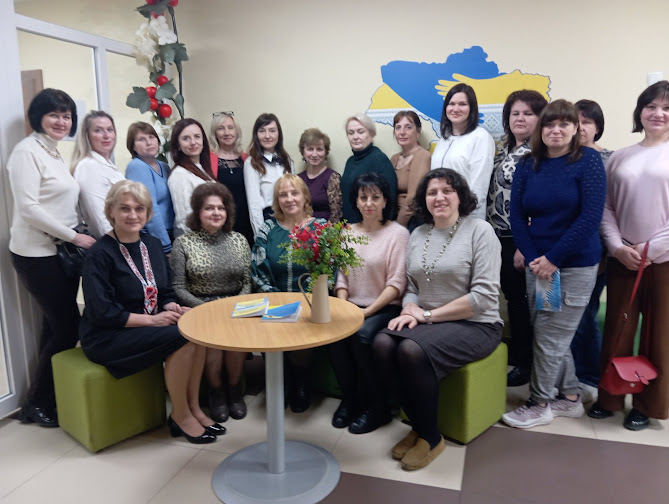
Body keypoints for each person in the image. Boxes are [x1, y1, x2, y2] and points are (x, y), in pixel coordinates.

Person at [373, 168, 503, 470]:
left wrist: (427, 315)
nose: (439, 197)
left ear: (460, 196)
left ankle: (431, 438)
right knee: (381, 344)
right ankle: (419, 426)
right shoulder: (419, 234)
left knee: (410, 350)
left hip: (477, 324)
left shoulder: (480, 231)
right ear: (424, 200)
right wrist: (409, 310)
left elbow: (483, 297)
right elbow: (412, 287)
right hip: (431, 321)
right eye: (432, 192)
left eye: (447, 190)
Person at [80, 180, 224, 444]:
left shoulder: (153, 245)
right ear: (111, 211)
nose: (133, 215)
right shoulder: (99, 254)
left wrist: (171, 306)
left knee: (195, 330)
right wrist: (153, 320)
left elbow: (164, 291)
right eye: (125, 208)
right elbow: (103, 312)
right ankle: (180, 415)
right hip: (109, 334)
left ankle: (194, 408)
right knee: (182, 337)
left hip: (147, 324)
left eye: (139, 209)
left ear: (148, 212)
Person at [503, 99, 606, 429]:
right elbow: (517, 216)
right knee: (549, 334)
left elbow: (590, 217)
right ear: (541, 129)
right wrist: (535, 257)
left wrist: (553, 259)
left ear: (576, 128)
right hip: (540, 265)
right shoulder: (528, 164)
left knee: (550, 337)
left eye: (564, 124)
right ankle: (571, 396)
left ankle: (539, 402)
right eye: (550, 124)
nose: (556, 130)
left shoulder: (588, 161)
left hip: (574, 265)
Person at [8, 88, 96, 427]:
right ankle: (37, 402)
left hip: (59, 251)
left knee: (54, 327)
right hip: (36, 254)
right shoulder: (25, 152)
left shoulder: (55, 152)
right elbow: (29, 208)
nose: (61, 122)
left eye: (66, 116)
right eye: (54, 115)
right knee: (67, 327)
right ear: (38, 117)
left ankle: (45, 398)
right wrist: (75, 236)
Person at [588, 81, 669, 431]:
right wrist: (618, 247)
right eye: (651, 106)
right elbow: (606, 208)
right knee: (618, 329)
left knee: (659, 334)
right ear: (640, 111)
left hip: (663, 262)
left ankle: (648, 405)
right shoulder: (620, 157)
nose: (658, 113)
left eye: (666, 108)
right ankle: (610, 397)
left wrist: (651, 249)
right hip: (623, 258)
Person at [331, 173, 409, 434]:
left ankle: (377, 408)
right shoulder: (348, 232)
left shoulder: (398, 234)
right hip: (352, 305)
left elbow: (397, 283)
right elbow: (341, 278)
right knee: (334, 336)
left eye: (375, 197)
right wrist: (344, 309)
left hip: (384, 307)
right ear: (356, 200)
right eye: (363, 197)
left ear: (385, 200)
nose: (369, 203)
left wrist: (365, 313)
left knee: (361, 336)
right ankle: (349, 400)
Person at [170, 183, 251, 422]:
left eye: (220, 208)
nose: (216, 212)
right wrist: (208, 310)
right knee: (213, 338)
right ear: (198, 212)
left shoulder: (239, 240)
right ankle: (217, 392)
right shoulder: (183, 243)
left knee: (236, 336)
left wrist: (237, 305)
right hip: (200, 307)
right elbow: (178, 287)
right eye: (209, 208)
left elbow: (248, 281)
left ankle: (234, 391)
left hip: (235, 306)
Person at [487, 90, 547, 387]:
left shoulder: (541, 153)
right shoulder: (503, 148)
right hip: (496, 235)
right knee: (512, 298)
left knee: (526, 302)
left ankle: (527, 364)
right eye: (515, 113)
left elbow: (540, 201)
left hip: (521, 239)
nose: (520, 118)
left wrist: (526, 245)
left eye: (528, 113)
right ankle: (519, 354)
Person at [251, 174, 325, 413]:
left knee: (301, 331)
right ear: (277, 200)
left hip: (310, 305)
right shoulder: (268, 228)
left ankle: (302, 384)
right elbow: (258, 269)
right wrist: (279, 302)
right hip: (274, 303)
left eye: (295, 193)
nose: (289, 199)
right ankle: (281, 384)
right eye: (283, 195)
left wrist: (308, 301)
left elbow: (328, 271)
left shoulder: (321, 228)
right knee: (271, 329)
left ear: (305, 197)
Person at [570, 99, 615, 395]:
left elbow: (612, 211)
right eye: (576, 122)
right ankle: (567, 376)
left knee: (586, 316)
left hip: (597, 251)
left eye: (587, 122)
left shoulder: (611, 160)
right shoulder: (561, 157)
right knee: (563, 315)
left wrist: (605, 253)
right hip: (563, 252)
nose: (581, 128)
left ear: (598, 127)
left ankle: (589, 377)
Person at [430, 83, 495, 220]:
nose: (456, 109)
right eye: (451, 104)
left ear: (471, 108)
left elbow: (478, 188)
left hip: (467, 216)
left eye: (462, 104)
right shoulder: (444, 140)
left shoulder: (481, 137)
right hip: (441, 215)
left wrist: (460, 213)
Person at [72, 110, 125, 238]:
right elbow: (99, 220)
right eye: (98, 130)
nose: (106, 135)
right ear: (87, 136)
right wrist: (120, 245)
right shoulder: (89, 166)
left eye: (110, 130)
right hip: (112, 242)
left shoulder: (107, 165)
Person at [125, 121, 175, 254]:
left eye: (152, 137)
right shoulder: (137, 166)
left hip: (170, 231)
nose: (149, 142)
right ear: (133, 146)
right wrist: (165, 246)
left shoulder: (164, 166)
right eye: (141, 139)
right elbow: (149, 207)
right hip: (153, 236)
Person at [340, 113, 397, 223]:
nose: (355, 137)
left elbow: (390, 199)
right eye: (351, 133)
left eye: (360, 132)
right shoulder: (350, 161)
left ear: (371, 134)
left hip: (371, 227)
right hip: (350, 226)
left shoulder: (379, 159)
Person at [244, 113, 293, 236]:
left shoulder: (287, 160)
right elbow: (254, 205)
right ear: (256, 135)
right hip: (268, 220)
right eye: (262, 131)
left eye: (272, 131)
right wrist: (260, 236)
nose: (267, 136)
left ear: (278, 134)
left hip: (290, 218)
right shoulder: (251, 163)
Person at [209, 111, 253, 247]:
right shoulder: (208, 159)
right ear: (215, 134)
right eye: (221, 128)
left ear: (236, 131)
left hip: (246, 220)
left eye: (230, 128)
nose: (227, 133)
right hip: (221, 222)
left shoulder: (246, 159)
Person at [167, 118, 215, 237]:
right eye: (186, 138)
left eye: (197, 136)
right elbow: (184, 221)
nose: (193, 142)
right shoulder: (179, 174)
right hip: (195, 241)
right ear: (178, 145)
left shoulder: (203, 168)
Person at [390, 111, 431, 229]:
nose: (402, 132)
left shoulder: (422, 156)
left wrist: (397, 228)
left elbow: (413, 198)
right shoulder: (394, 158)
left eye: (408, 127)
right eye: (398, 127)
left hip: (411, 221)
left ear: (418, 132)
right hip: (392, 217)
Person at [297, 128, 342, 222]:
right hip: (300, 228)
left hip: (326, 229)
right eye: (310, 149)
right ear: (303, 152)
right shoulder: (298, 179)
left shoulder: (333, 178)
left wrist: (325, 231)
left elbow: (336, 215)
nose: (314, 154)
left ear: (325, 152)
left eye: (319, 149)